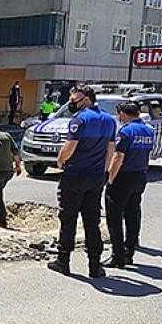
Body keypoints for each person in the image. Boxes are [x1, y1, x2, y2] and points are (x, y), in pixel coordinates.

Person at [48, 85, 117, 278]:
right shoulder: (109, 120)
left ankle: (63, 261)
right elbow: (110, 150)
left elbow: (70, 147)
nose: (71, 104)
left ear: (86, 100)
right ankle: (95, 266)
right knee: (92, 221)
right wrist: (104, 172)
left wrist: (60, 160)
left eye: (74, 100)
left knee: (68, 218)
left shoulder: (80, 119)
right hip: (96, 177)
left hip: (75, 176)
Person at [103, 102, 154, 269]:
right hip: (140, 176)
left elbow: (118, 157)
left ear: (123, 114)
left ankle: (117, 256)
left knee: (115, 217)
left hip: (123, 177)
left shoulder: (126, 131)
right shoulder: (149, 130)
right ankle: (128, 253)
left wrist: (110, 178)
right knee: (133, 215)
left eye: (119, 115)